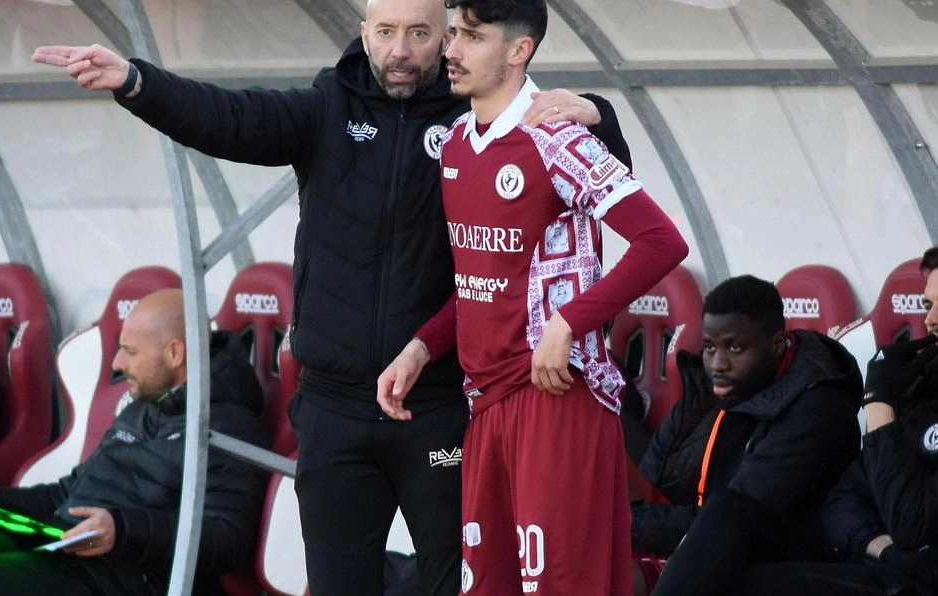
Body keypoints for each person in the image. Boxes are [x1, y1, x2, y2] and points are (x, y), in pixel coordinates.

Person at [30, 1, 632, 593]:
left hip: (443, 405)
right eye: (388, 32)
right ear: (364, 32)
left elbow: (590, 166)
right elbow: (230, 118)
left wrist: (599, 114)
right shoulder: (328, 106)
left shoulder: (478, 113)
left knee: (464, 584)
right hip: (334, 410)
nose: (402, 50)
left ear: (446, 36)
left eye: (422, 33)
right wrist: (136, 83)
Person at [377, 1, 687, 593]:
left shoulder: (557, 138)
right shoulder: (457, 143)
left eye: (472, 36)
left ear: (519, 51)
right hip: (485, 402)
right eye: (454, 34)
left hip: (556, 395)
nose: (452, 49)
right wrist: (421, 347)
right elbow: (481, 282)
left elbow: (660, 241)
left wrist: (570, 322)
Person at [0, 289, 269, 596]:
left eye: (129, 352)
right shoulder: (143, 407)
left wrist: (121, 528)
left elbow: (227, 538)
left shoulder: (227, 427)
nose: (116, 364)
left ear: (174, 353)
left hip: (130, 573)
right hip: (67, 541)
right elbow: (71, 490)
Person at [696, 248, 938, 596]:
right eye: (928, 305)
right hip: (884, 568)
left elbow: (912, 523)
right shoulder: (922, 390)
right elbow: (842, 501)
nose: (930, 321)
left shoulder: (820, 404)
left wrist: (879, 404)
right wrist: (884, 549)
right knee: (738, 565)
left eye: (734, 348)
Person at [629, 275, 862, 596]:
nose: (718, 364)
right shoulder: (716, 386)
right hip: (707, 543)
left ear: (777, 345)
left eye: (735, 347)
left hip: (799, 559)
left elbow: (731, 521)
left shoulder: (817, 410)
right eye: (710, 347)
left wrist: (631, 523)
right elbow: (651, 479)